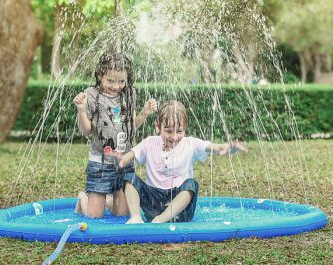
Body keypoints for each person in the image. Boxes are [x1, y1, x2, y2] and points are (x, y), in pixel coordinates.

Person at [111, 100, 247, 223]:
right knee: (129, 178)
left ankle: (161, 219)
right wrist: (120, 160)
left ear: (185, 128)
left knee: (191, 185)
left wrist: (227, 148)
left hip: (180, 211)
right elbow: (128, 156)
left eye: (179, 131)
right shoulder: (149, 142)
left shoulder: (191, 144)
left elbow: (214, 147)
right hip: (153, 204)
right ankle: (136, 217)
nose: (174, 137)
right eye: (169, 131)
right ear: (158, 126)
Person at [73, 52, 157, 218]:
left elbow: (131, 126)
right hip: (100, 163)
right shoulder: (92, 95)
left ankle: (106, 202)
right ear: (100, 75)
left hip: (123, 161)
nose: (116, 86)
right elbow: (86, 130)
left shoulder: (129, 94)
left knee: (122, 214)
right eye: (111, 81)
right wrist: (82, 110)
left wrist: (144, 113)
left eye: (121, 81)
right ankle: (84, 198)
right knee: (94, 216)